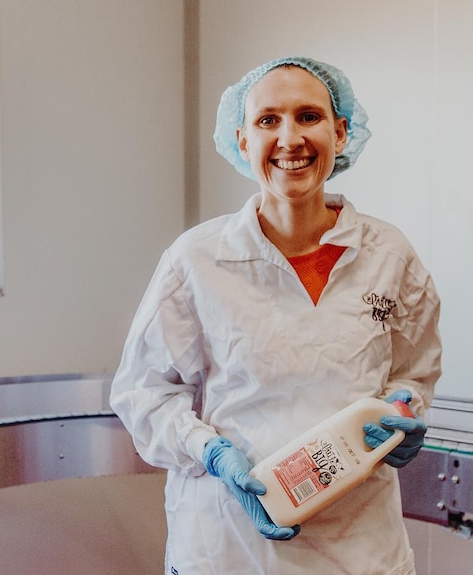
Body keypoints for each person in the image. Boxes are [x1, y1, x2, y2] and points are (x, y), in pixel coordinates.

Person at [110, 56, 441, 575]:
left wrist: (404, 407)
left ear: (341, 131)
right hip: (227, 549)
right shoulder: (195, 259)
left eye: (308, 116)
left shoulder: (388, 255)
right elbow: (144, 395)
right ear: (242, 140)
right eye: (268, 120)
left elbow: (413, 370)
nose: (290, 139)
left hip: (361, 551)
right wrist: (211, 451)